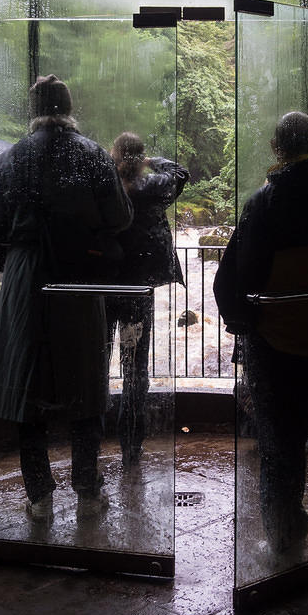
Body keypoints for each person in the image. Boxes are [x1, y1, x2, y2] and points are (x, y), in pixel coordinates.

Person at [213, 111, 308, 552]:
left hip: (276, 339)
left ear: (277, 149)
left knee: (280, 442)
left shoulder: (264, 205)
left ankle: (284, 530)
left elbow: (229, 280)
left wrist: (241, 322)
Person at [0, 75, 132, 524]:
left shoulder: (14, 157)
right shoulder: (89, 154)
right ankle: (88, 490)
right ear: (69, 109)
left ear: (34, 110)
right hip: (77, 280)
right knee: (86, 383)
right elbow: (121, 217)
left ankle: (40, 497)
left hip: (27, 278)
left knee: (28, 386)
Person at [107, 132, 188, 468]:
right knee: (135, 369)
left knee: (97, 363)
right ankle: (131, 445)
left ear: (115, 155)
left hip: (104, 285)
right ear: (139, 158)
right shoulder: (152, 188)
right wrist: (152, 161)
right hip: (138, 290)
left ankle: (93, 440)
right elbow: (181, 173)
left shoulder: (106, 188)